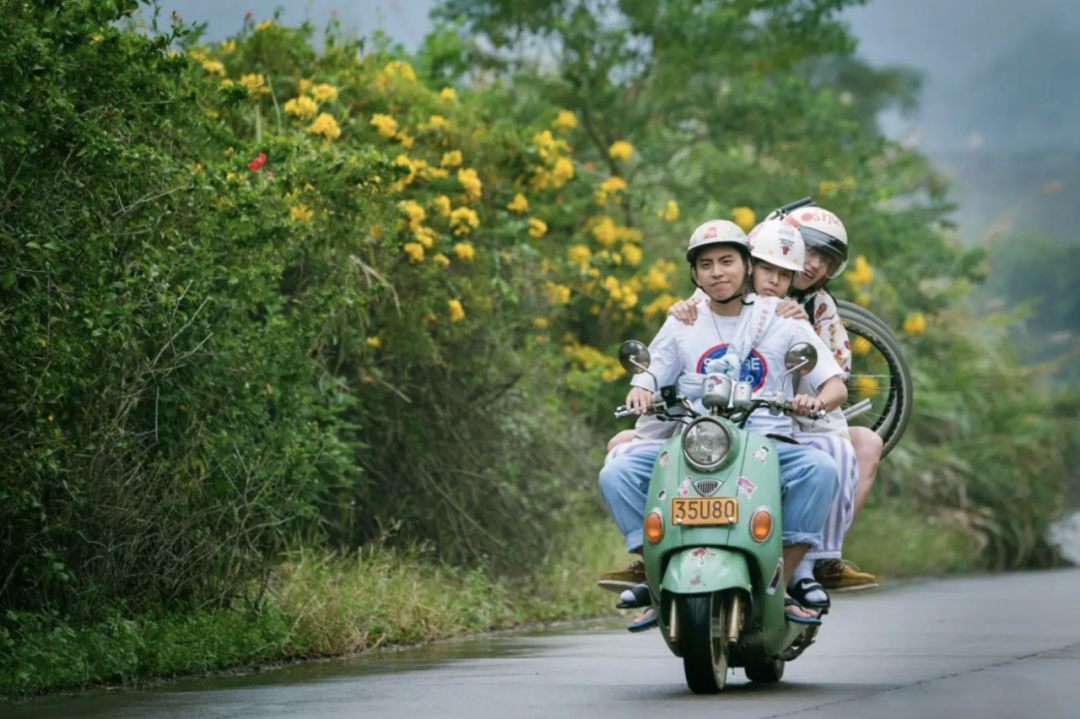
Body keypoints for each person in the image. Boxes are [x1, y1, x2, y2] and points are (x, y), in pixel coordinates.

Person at [597, 219, 845, 630]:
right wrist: (639, 392)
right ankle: (652, 570)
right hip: (696, 442)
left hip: (765, 439)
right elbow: (649, 374)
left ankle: (781, 579)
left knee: (820, 470)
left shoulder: (781, 318)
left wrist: (815, 400)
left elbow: (834, 385)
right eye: (706, 265)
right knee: (617, 471)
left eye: (727, 261)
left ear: (748, 266)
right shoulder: (684, 320)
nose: (718, 272)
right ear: (695, 275)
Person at [665, 204, 881, 592]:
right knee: (625, 451)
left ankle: (817, 559)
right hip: (711, 417)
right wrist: (678, 313)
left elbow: (833, 375)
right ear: (751, 264)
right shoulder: (723, 288)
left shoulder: (817, 309)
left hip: (789, 412)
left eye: (824, 260)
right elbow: (684, 337)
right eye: (808, 252)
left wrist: (799, 338)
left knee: (844, 451)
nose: (812, 265)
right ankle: (649, 558)